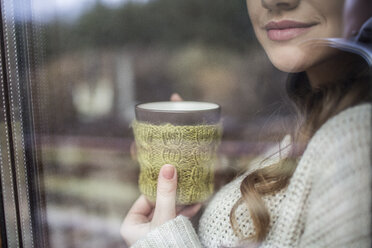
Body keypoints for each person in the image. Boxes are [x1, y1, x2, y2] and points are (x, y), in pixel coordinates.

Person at [121, 0, 372, 247]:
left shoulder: (354, 138)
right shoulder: (313, 132)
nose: (272, 1)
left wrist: (162, 242)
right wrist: (199, 178)